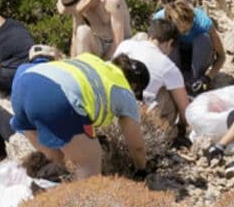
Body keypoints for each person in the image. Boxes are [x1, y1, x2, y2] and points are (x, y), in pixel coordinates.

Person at [8, 51, 150, 180]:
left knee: (57, 159)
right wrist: (141, 169)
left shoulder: (93, 60)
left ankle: (50, 183)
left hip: (23, 82)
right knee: (89, 162)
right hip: (55, 98)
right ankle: (84, 204)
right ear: (135, 86)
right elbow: (136, 146)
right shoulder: (124, 90)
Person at [150, 0, 225, 93]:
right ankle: (173, 75)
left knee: (203, 39)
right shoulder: (160, 21)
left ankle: (195, 79)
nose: (187, 33)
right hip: (175, 52)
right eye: (184, 30)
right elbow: (152, 51)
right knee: (167, 38)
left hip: (199, 55)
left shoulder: (203, 23)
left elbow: (221, 57)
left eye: (190, 28)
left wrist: (207, 78)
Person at [114, 30, 191, 122]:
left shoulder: (125, 45)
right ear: (169, 43)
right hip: (140, 116)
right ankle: (167, 129)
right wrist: (183, 127)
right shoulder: (168, 66)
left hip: (110, 107)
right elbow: (185, 109)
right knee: (169, 92)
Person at [57, 0, 131, 59]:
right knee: (82, 31)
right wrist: (73, 61)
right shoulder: (77, 6)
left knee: (141, 37)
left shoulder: (112, 0)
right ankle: (82, 67)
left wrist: (105, 63)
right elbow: (75, 37)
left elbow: (118, 40)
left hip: (121, 44)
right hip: (98, 44)